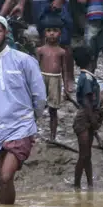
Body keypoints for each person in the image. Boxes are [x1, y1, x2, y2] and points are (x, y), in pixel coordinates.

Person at [0, 15, 47, 205]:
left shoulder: (24, 60)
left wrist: (32, 120)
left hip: (21, 126)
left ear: (6, 33)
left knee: (6, 176)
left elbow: (39, 95)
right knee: (3, 181)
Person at [33, 15, 72, 143]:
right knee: (37, 106)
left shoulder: (61, 52)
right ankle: (31, 133)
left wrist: (66, 86)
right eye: (49, 31)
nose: (52, 34)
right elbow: (34, 68)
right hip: (41, 78)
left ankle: (53, 136)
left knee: (53, 110)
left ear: (60, 33)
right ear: (45, 33)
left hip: (55, 80)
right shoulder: (40, 50)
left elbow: (65, 69)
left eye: (55, 31)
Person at [72, 46, 103, 189]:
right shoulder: (87, 78)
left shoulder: (86, 77)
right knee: (84, 155)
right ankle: (77, 185)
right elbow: (86, 102)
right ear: (92, 60)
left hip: (87, 116)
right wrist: (93, 121)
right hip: (85, 117)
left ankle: (90, 184)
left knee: (87, 155)